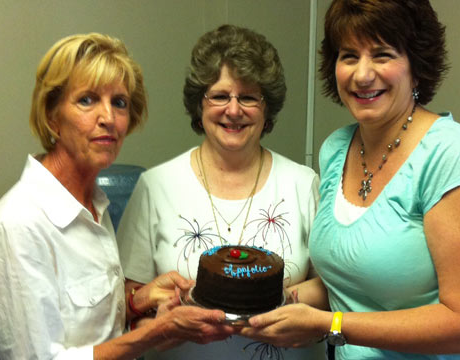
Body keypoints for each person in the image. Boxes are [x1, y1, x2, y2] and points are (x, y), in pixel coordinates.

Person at [239, 1, 460, 359]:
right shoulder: (336, 149)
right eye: (349, 56)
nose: (362, 74)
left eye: (382, 55)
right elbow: (348, 279)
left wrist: (329, 325)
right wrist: (263, 302)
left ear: (417, 66)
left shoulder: (453, 155)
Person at [0, 33, 235, 360]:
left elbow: (90, 329)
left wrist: (136, 302)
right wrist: (157, 332)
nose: (108, 118)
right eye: (87, 100)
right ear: (52, 116)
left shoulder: (93, 207)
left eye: (119, 102)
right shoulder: (19, 225)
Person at [117, 24, 325, 359]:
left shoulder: (303, 183)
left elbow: (331, 286)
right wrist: (160, 324)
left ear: (267, 107)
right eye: (219, 95)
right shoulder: (156, 186)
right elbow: (128, 300)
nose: (233, 110)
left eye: (248, 97)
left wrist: (287, 300)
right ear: (199, 104)